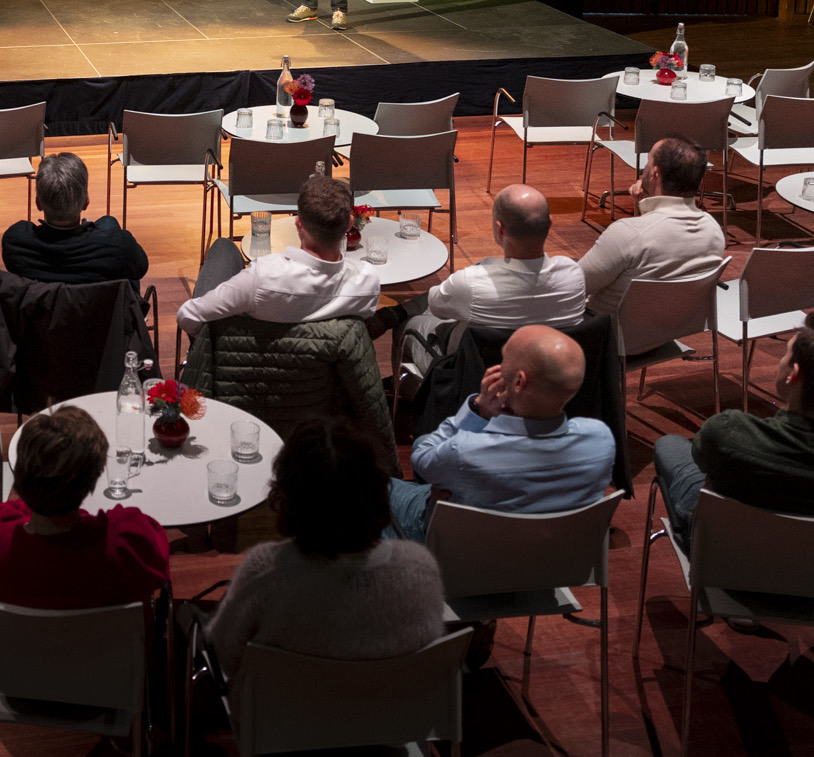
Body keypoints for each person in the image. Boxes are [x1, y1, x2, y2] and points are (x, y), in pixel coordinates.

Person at [207, 417, 445, 681]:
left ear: (287, 499)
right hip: (386, 704)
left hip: (287, 706)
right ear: (378, 492)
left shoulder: (265, 571)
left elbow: (223, 655)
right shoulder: (420, 569)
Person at [650, 311, 814, 553]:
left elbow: (703, 459)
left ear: (794, 374)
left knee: (669, 444)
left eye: (785, 353)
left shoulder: (727, 433)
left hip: (731, 560)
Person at [388, 324, 615, 543]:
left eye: (504, 359)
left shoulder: (466, 451)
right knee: (426, 446)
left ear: (518, 382)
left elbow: (422, 460)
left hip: (460, 551)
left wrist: (478, 410)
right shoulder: (601, 439)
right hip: (553, 554)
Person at [0, 405, 170, 609]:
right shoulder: (128, 544)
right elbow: (159, 570)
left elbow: (15, 509)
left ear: (21, 472)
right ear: (93, 479)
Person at [398, 184, 585, 365]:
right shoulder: (574, 275)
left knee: (407, 325)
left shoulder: (471, 283)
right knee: (486, 264)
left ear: (500, 229)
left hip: (469, 370)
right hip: (547, 371)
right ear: (550, 224)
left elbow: (436, 307)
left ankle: (404, 383)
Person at [177, 175, 380, 335]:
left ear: (298, 223)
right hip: (325, 374)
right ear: (350, 224)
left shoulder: (263, 276)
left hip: (255, 370)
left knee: (224, 247)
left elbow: (188, 316)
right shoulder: (367, 282)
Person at [578, 138, 726, 318]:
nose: (644, 168)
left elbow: (575, 286)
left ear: (655, 173)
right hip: (671, 328)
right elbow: (661, 245)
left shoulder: (627, 233)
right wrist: (646, 202)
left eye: (648, 160)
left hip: (605, 330)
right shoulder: (713, 231)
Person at [0, 152, 149, 286]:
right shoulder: (120, 246)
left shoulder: (15, 241)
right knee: (108, 222)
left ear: (38, 203)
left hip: (41, 308)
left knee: (107, 222)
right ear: (86, 202)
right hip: (99, 308)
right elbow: (140, 268)